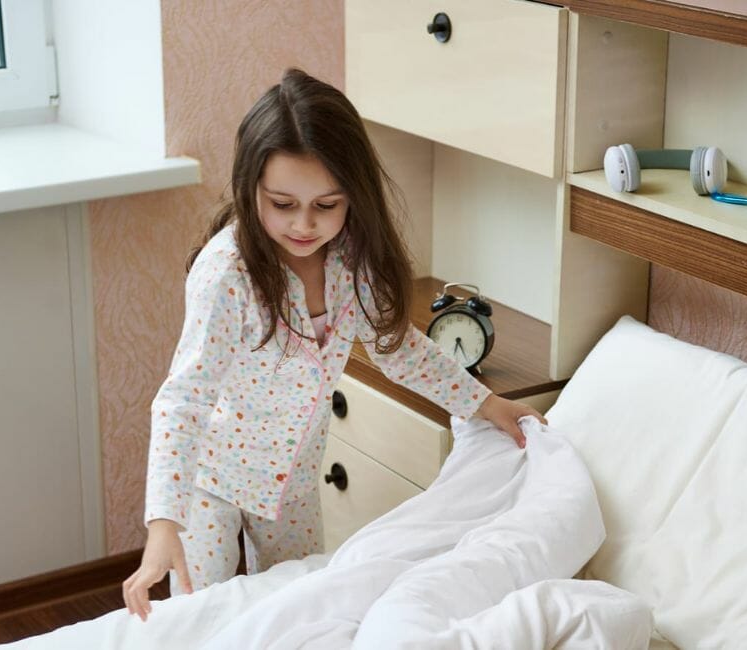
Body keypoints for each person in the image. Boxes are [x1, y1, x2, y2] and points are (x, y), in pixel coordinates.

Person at [122, 68, 545, 621]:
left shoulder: (352, 262)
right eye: (282, 203)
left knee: (300, 611)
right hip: (213, 481)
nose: (304, 224)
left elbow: (398, 349)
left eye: (327, 205)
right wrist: (163, 525)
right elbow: (184, 398)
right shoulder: (226, 276)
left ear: (353, 196)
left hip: (294, 482)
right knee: (204, 618)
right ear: (252, 189)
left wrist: (485, 405)